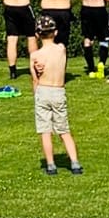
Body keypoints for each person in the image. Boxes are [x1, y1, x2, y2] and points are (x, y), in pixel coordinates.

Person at [30, 14, 82, 175]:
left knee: (45, 131)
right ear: (56, 32)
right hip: (58, 90)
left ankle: (51, 165)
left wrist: (36, 93)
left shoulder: (35, 56)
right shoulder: (61, 49)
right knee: (64, 130)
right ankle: (74, 163)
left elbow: (35, 78)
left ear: (37, 35)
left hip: (43, 90)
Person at [0, 0, 38, 81]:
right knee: (31, 37)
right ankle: (34, 66)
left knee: (12, 39)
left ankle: (12, 71)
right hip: (23, 6)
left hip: (9, 6)